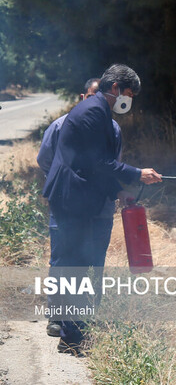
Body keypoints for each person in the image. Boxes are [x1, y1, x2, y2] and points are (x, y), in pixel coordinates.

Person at [41, 64, 162, 354]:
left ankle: (74, 333)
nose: (128, 100)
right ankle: (72, 338)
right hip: (73, 200)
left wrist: (118, 191)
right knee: (75, 266)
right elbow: (99, 164)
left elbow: (94, 168)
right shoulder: (95, 111)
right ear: (116, 88)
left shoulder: (97, 110)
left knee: (78, 265)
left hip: (77, 197)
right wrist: (137, 173)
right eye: (129, 93)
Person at [37, 78, 123, 339]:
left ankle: (86, 318)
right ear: (83, 97)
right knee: (62, 260)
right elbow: (45, 160)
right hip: (67, 206)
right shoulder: (61, 125)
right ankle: (57, 317)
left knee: (95, 261)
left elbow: (113, 166)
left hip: (99, 209)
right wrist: (68, 183)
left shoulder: (114, 128)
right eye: (91, 97)